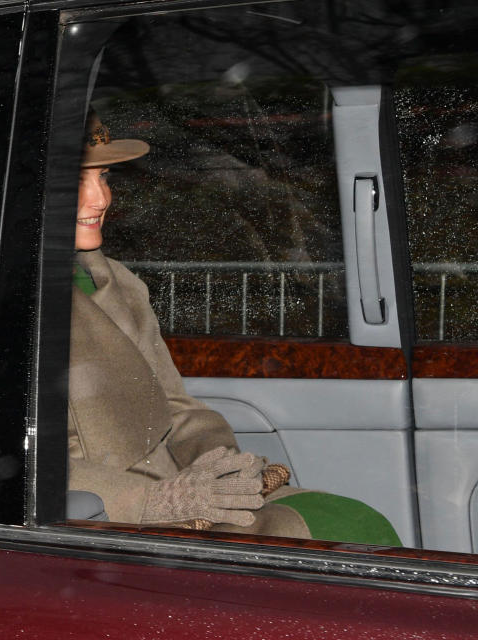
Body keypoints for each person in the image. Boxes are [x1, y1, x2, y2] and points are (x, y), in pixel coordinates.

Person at [67, 110, 401, 544]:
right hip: (99, 512)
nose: (100, 199)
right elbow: (5, 458)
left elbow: (177, 407)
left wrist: (217, 463)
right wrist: (153, 502)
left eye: (105, 177)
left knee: (357, 522)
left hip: (178, 489)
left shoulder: (120, 283)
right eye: (76, 182)